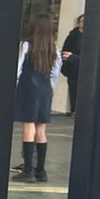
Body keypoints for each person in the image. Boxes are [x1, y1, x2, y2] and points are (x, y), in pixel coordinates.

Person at [14, 11, 62, 183]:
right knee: (41, 128)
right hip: (45, 88)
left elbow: (18, 68)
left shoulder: (26, 45)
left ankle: (28, 170)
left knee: (28, 127)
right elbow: (55, 71)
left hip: (28, 87)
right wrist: (49, 87)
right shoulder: (53, 47)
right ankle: (40, 170)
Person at [61, 14, 84, 113]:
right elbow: (65, 50)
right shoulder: (73, 35)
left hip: (84, 68)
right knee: (73, 88)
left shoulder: (91, 35)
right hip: (72, 67)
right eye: (82, 21)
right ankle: (74, 109)